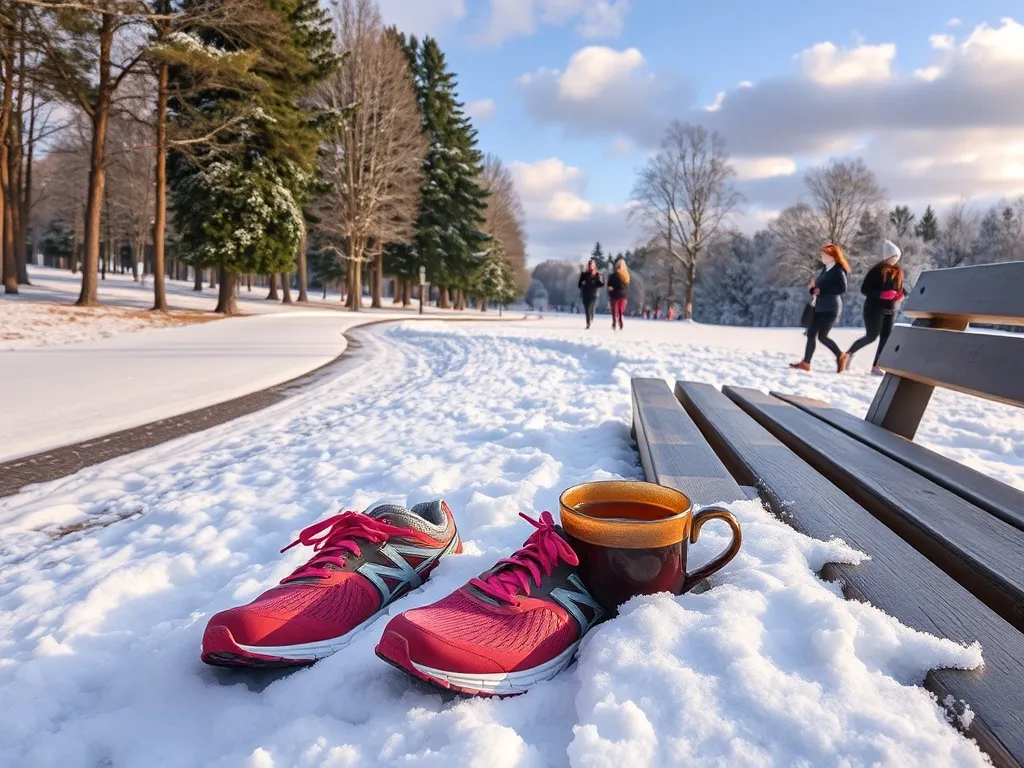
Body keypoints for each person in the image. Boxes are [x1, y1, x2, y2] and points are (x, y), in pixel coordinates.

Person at [840, 240, 908, 376]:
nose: (895, 260)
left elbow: (900, 288)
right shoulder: (877, 271)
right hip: (874, 309)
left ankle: (877, 365)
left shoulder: (899, 272)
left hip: (891, 309)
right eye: (893, 257)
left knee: (886, 338)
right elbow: (865, 289)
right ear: (887, 257)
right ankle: (848, 354)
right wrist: (881, 294)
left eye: (897, 257)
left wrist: (902, 294)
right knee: (871, 336)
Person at [790, 243, 849, 372]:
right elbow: (819, 290)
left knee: (822, 336)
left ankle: (841, 355)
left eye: (825, 254)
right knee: (812, 333)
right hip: (820, 306)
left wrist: (821, 290)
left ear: (833, 256)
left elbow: (842, 288)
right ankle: (806, 363)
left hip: (830, 308)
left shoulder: (838, 269)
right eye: (822, 254)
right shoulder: (825, 269)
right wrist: (813, 289)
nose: (822, 256)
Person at [577, 259, 604, 329]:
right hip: (585, 293)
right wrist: (582, 284)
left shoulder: (597, 274)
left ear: (594, 265)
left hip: (593, 294)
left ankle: (591, 318)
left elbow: (601, 284)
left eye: (591, 265)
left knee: (591, 308)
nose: (590, 266)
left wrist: (598, 281)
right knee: (587, 308)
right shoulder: (584, 274)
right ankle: (588, 322)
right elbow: (579, 285)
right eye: (589, 265)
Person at [606, 259, 630, 330]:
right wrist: (609, 287)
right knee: (616, 310)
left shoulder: (625, 276)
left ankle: (618, 322)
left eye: (620, 266)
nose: (619, 268)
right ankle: (615, 322)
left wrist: (611, 287)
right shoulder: (624, 276)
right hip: (618, 295)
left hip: (619, 295)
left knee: (618, 310)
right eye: (618, 266)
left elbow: (624, 286)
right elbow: (609, 284)